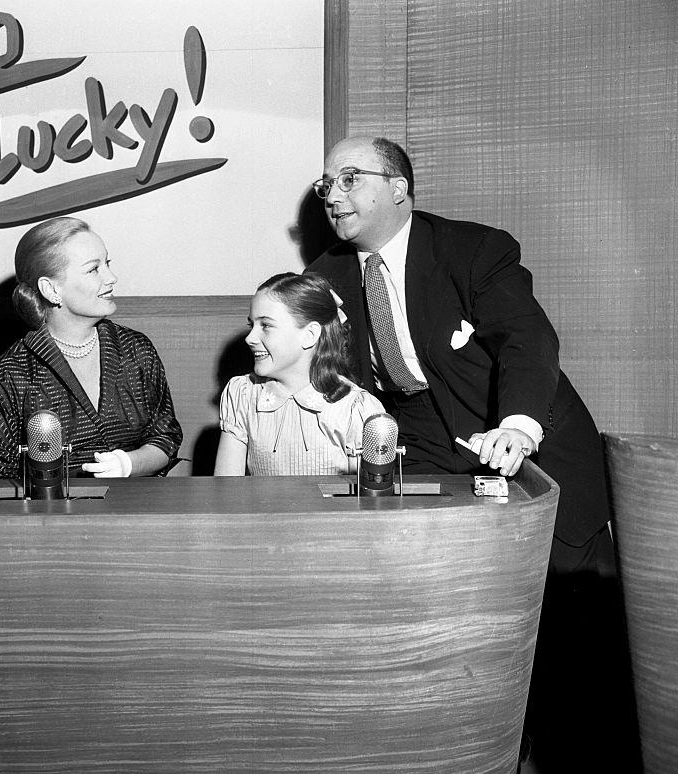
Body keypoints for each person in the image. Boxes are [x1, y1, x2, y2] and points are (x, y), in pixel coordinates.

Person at [305, 136, 637, 770]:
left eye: (350, 178)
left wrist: (516, 427)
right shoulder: (328, 276)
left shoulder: (473, 249)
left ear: (399, 187)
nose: (333, 194)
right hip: (426, 442)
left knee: (574, 645)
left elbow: (527, 340)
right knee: (447, 617)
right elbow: (330, 375)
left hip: (534, 441)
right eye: (326, 185)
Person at [0, 217, 182, 479]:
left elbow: (166, 436)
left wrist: (128, 463)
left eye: (107, 263)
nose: (112, 277)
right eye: (93, 269)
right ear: (51, 289)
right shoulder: (8, 375)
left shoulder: (136, 349)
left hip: (139, 506)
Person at [214, 272, 384, 476]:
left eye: (266, 325)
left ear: (309, 335)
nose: (250, 338)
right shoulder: (243, 395)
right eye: (252, 325)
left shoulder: (355, 409)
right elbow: (226, 492)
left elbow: (371, 501)